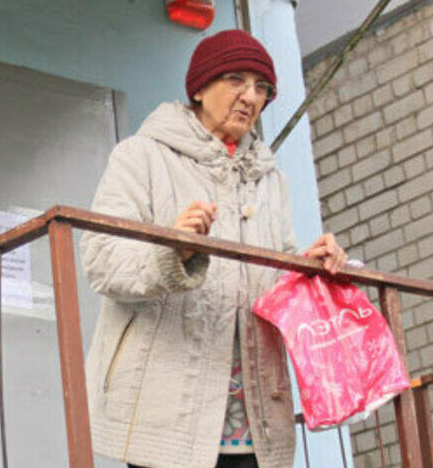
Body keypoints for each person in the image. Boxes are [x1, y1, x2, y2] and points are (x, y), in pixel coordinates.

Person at [80, 29, 348, 468]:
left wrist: (310, 269)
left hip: (255, 416)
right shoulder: (142, 156)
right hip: (166, 404)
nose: (250, 97)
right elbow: (101, 260)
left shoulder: (271, 180)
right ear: (200, 88)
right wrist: (174, 251)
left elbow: (275, 285)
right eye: (236, 80)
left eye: (262, 87)